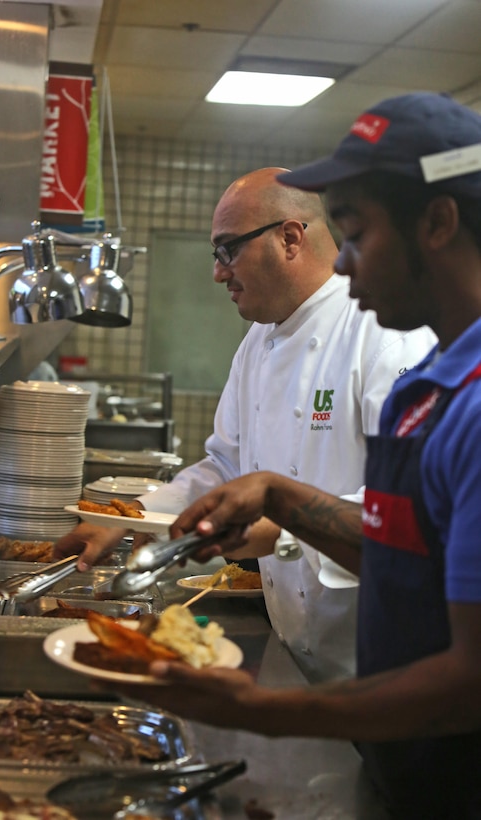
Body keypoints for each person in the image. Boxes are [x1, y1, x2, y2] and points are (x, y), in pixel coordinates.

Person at [108, 93, 481, 819]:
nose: (339, 261)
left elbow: (471, 680)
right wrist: (278, 497)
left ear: (436, 224)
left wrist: (266, 711)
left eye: (356, 233)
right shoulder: (433, 388)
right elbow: (406, 560)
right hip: (401, 750)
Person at [55, 167, 435, 682]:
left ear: (289, 238)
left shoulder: (385, 336)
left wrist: (281, 526)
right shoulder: (258, 340)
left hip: (382, 662)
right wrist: (132, 517)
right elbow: (225, 465)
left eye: (227, 250)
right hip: (294, 646)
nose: (218, 272)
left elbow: (415, 513)